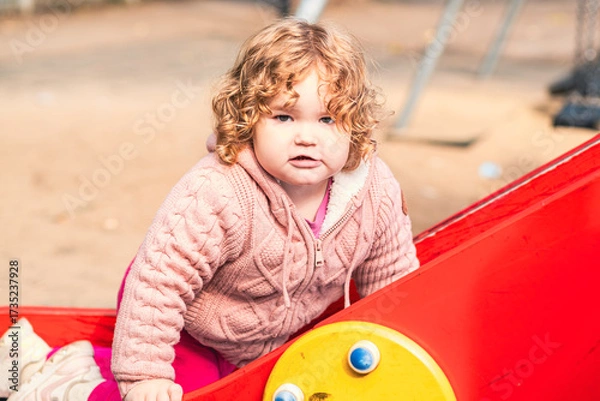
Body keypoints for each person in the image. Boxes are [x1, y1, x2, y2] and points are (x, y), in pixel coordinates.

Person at [1, 18, 419, 401]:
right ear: (248, 119)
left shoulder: (372, 190)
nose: (307, 137)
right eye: (284, 117)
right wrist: (146, 374)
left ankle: (93, 360)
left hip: (273, 339)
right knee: (180, 393)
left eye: (328, 120)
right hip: (188, 325)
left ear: (356, 124)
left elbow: (393, 279)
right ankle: (62, 378)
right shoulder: (217, 193)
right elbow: (158, 285)